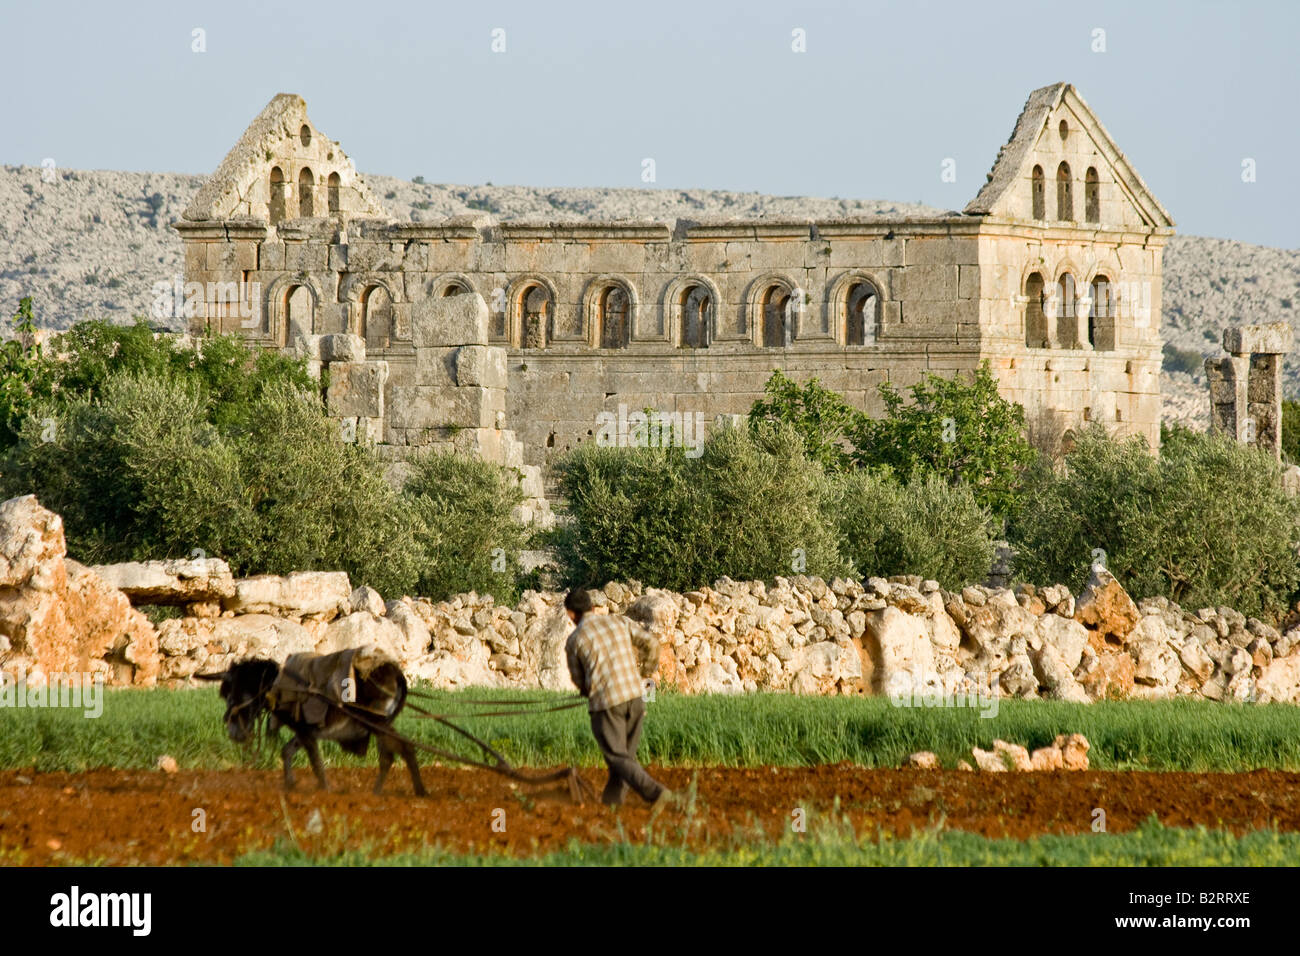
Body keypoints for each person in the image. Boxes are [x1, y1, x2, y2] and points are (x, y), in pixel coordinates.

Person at [564, 587, 671, 807]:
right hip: (635, 697)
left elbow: (578, 679)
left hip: (606, 704)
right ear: (593, 608)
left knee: (617, 758)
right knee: (625, 760)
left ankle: (656, 793)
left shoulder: (575, 639)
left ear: (571, 614)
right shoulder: (618, 622)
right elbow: (651, 643)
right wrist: (644, 673)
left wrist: (587, 690)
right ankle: (612, 803)